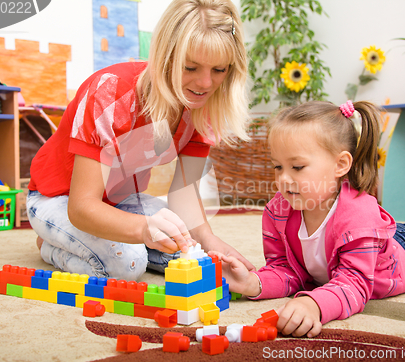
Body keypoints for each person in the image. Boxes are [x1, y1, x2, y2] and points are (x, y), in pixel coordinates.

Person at [27, 0, 255, 281]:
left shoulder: (202, 107)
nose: (206, 83)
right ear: (164, 57)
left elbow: (184, 191)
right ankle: (50, 245)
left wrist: (210, 242)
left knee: (190, 254)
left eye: (219, 70)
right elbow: (82, 206)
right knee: (127, 264)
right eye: (190, 67)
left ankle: (86, 242)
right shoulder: (109, 92)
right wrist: (142, 230)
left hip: (120, 202)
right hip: (59, 199)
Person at [208, 100, 405, 338]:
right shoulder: (278, 211)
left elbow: (355, 283)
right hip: (370, 237)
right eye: (278, 166)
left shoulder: (359, 216)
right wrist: (253, 283)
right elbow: (285, 269)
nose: (283, 179)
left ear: (340, 165)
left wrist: (314, 303)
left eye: (297, 167)